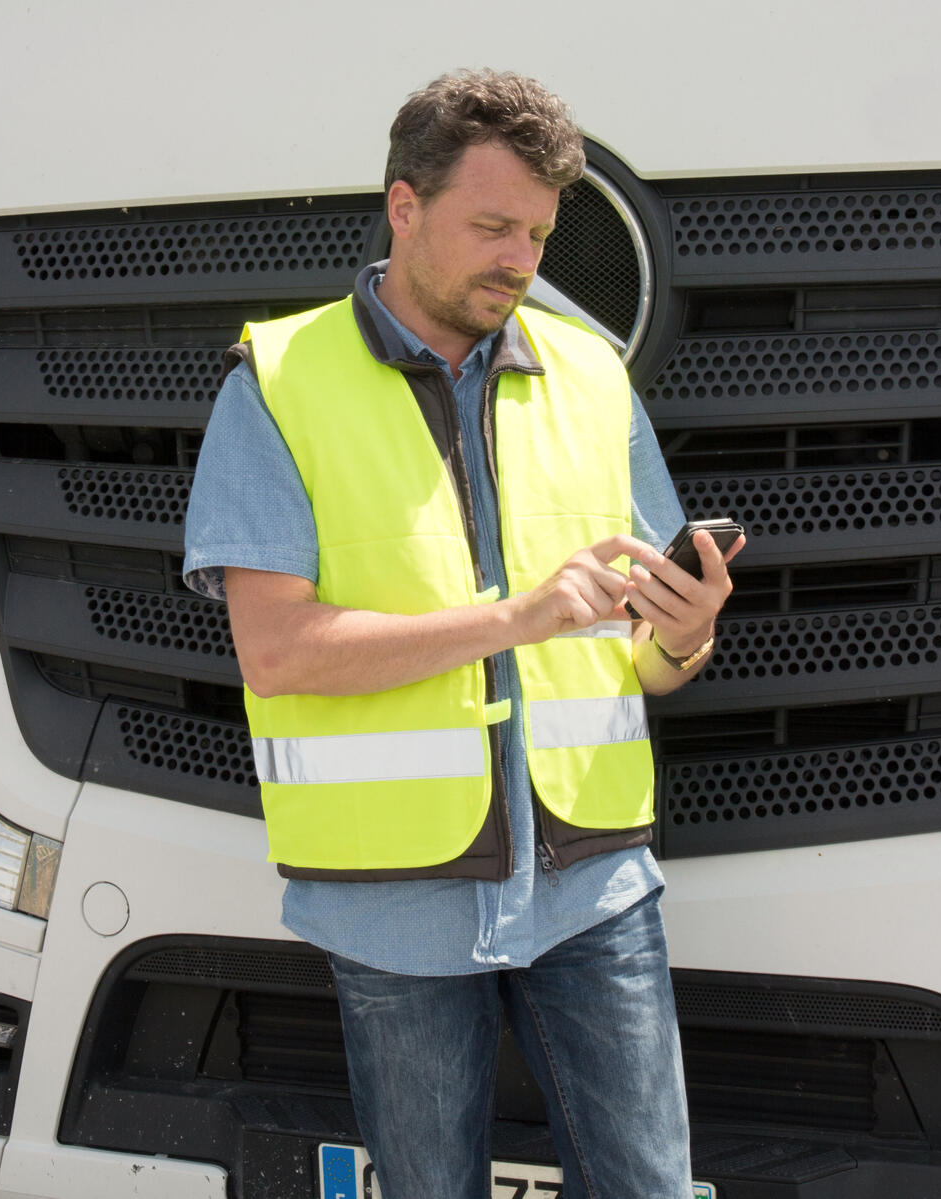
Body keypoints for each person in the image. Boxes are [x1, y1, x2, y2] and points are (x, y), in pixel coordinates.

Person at [182, 68, 738, 1198]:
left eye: (537, 232)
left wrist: (685, 635)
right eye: (493, 227)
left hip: (595, 885)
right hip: (396, 904)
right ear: (404, 206)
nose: (522, 261)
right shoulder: (278, 382)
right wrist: (519, 615)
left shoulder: (592, 376)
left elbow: (644, 653)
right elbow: (276, 650)